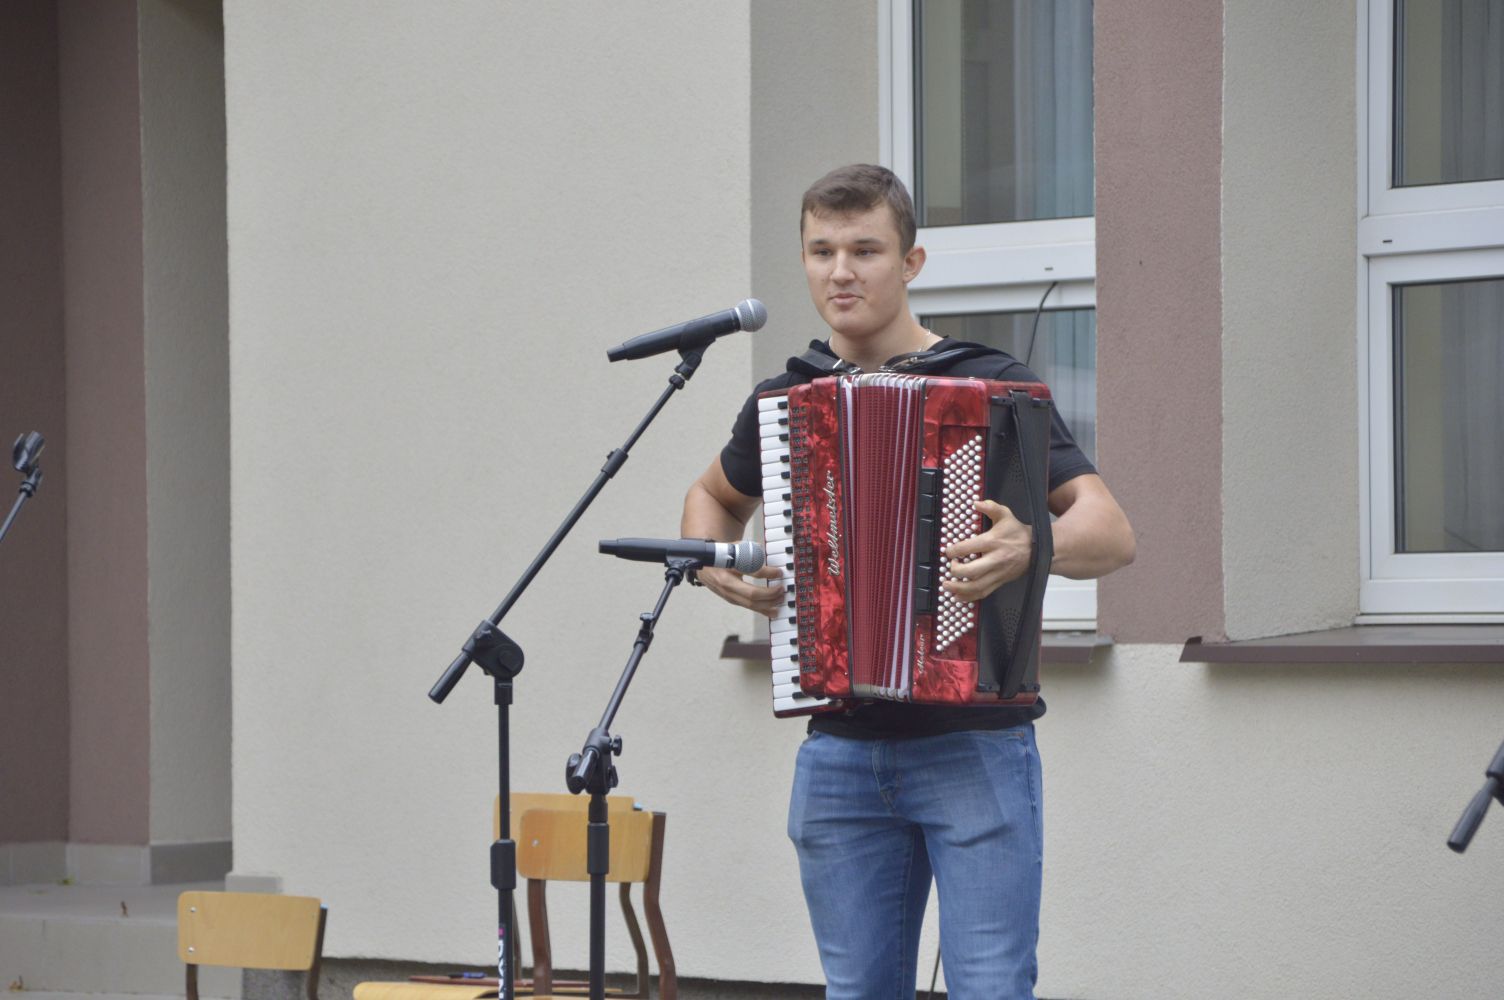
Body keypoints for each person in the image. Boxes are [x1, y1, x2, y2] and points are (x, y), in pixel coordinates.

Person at [680, 164, 1135, 999]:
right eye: (821, 251)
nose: (841, 272)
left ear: (911, 262)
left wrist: (1031, 544)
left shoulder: (993, 386)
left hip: (975, 747)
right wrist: (718, 563)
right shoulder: (786, 399)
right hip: (838, 751)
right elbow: (712, 497)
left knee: (990, 988)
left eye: (865, 250)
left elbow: (1110, 531)